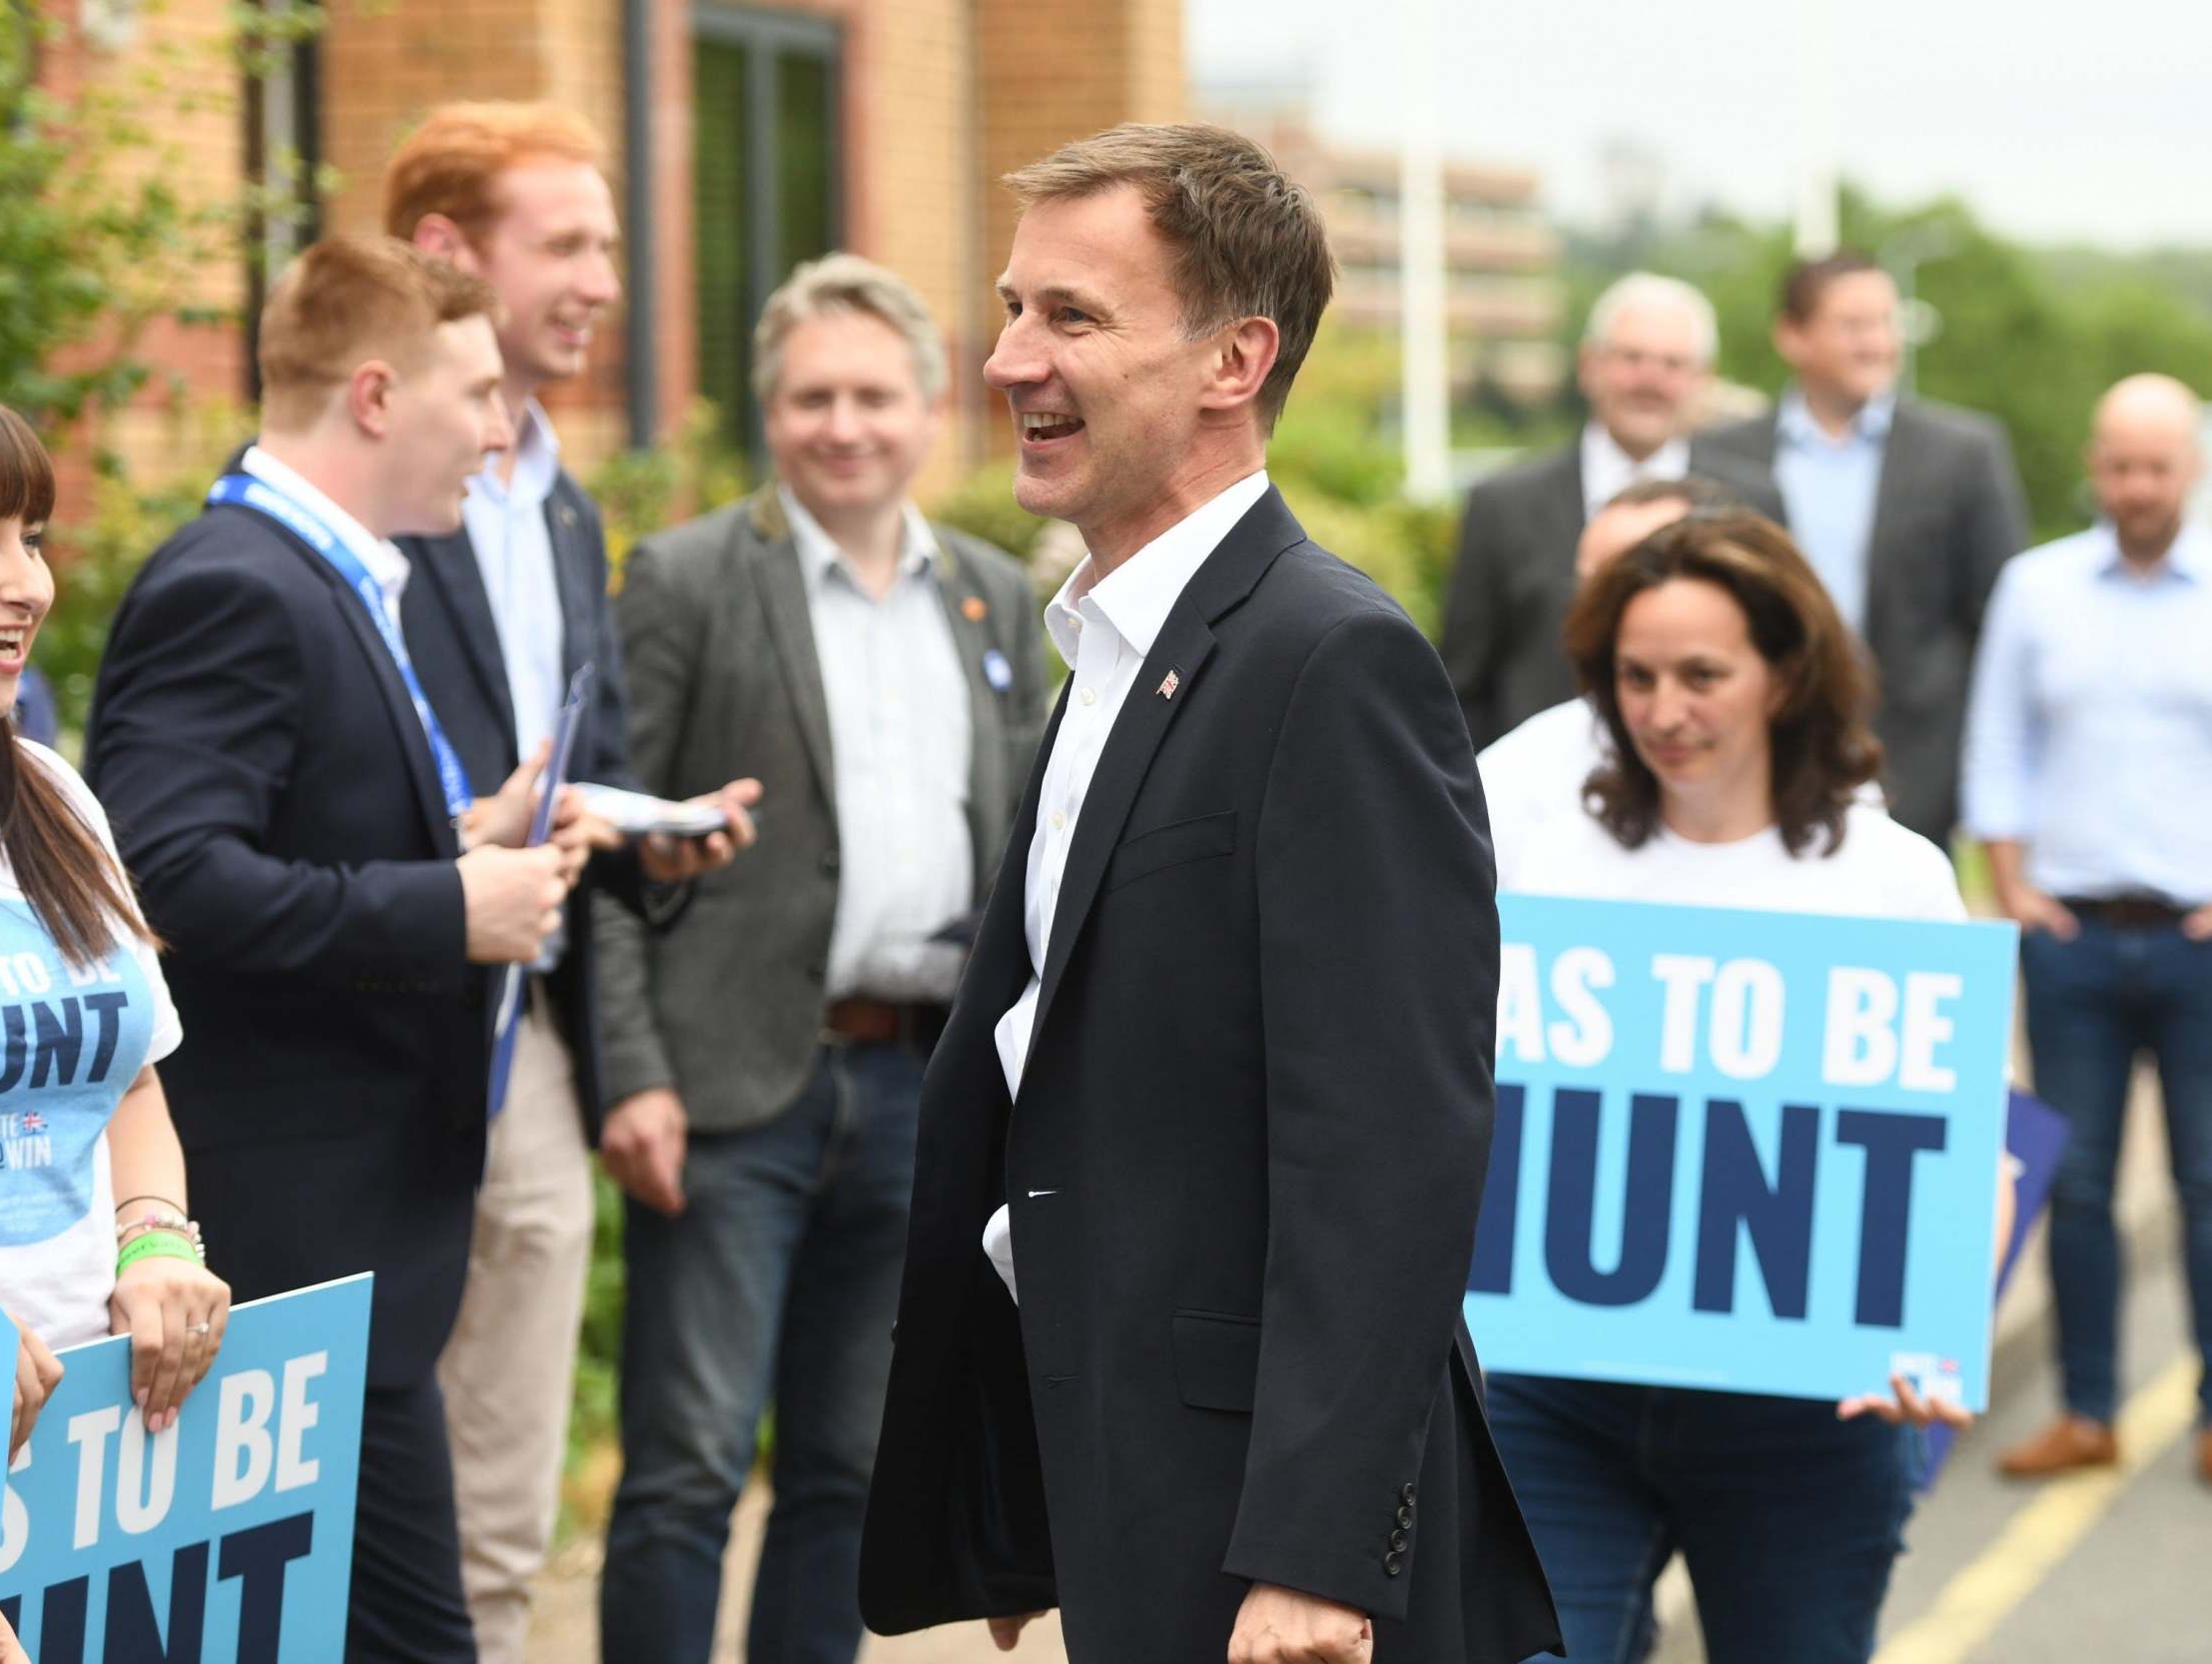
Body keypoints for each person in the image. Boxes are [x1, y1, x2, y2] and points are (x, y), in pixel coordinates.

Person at [857, 123, 1559, 1664]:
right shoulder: (1109, 653)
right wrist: (1019, 1477)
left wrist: (1318, 1554)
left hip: (1271, 1545)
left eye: (1071, 317)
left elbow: (1386, 1146)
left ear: (1234, 358)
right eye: (1012, 307)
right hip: (1127, 1480)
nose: (1006, 360)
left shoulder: (1332, 662)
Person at [84, 236, 583, 1664]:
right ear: (375, 395)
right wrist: (451, 906)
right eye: (477, 393)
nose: (500, 433)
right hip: (289, 1252)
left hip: (352, 1253)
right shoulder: (239, 579)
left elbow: (281, 828)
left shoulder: (337, 573)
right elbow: (165, 874)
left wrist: (463, 839)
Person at [591, 252, 1050, 1664]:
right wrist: (631, 1073)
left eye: (871, 394)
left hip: (920, 1092)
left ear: (926, 407)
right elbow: (604, 845)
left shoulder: (997, 598)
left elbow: (1032, 854)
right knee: (684, 1467)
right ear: (768, 413)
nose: (840, 425)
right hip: (730, 1093)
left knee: (848, 1469)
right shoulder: (682, 578)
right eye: (808, 398)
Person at [382, 103, 757, 1664]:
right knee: (367, 1506)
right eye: (570, 244)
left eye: (609, 241)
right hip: (375, 1038)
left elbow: (548, 767)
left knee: (505, 1512)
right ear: (447, 254)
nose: (606, 276)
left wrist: (633, 828)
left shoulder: (564, 493)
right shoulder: (364, 487)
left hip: (530, 1043)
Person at [1485, 507, 1983, 1664]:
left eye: (1702, 674)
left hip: (1806, 1423)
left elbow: (1963, 1146)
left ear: (1786, 670)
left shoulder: (1889, 880)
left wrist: (1933, 1328)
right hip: (1554, 1398)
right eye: (1636, 676)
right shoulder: (1536, 850)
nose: (1664, 711)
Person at [1963, 373, 2212, 1487]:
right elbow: (1995, 740)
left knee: (2209, 1184)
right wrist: (2010, 881)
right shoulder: (2036, 586)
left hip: (2199, 937)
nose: (2135, 487)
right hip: (2066, 936)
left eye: (2156, 466)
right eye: (2117, 465)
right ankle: (2087, 1408)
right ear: (2094, 462)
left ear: (2191, 466)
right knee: (2074, 1184)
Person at [0, 402, 226, 1426]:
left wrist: (156, 1235)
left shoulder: (55, 792)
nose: (25, 585)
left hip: (98, 1432)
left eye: (29, 539)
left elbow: (128, 1082)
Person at [1700, 251, 2028, 846]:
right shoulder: (1720, 456)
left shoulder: (1964, 454)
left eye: (1885, 322)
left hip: (1915, 773)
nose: (1876, 342)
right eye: (1853, 326)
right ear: (1792, 336)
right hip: (1756, 756)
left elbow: (2001, 626)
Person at [1440, 272, 1786, 748]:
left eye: (1672, 363)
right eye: (1632, 358)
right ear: (1589, 366)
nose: (1651, 379)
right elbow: (1462, 686)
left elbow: (1781, 663)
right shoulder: (1502, 506)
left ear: (1702, 379)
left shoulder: (1751, 507)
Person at [1479, 473, 1747, 878]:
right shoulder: (1516, 777)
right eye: (1593, 586)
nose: (1665, 718)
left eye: (1644, 579)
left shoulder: (1837, 800)